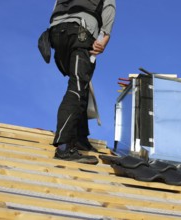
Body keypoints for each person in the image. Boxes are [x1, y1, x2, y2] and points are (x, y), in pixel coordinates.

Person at [48, 0, 116, 164]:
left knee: (82, 82)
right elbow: (109, 7)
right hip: (80, 31)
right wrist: (104, 38)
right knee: (78, 86)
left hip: (57, 32)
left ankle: (79, 137)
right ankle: (64, 147)